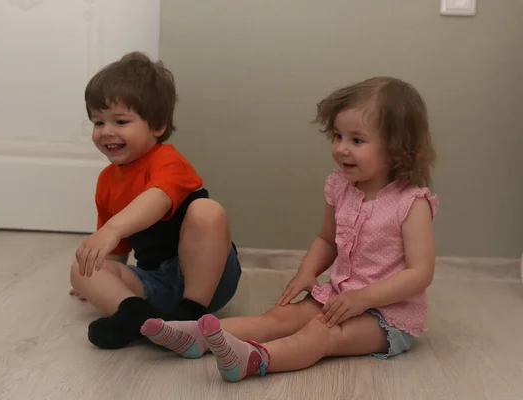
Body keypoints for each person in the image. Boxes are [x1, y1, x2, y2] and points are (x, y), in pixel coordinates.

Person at [139, 76, 439, 382]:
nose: (342, 149)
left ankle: (254, 359)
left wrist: (363, 299)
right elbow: (326, 240)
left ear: (396, 148)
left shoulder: (411, 203)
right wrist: (306, 273)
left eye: (356, 140)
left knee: (323, 333)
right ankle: (195, 335)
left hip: (386, 315)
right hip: (339, 296)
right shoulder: (341, 187)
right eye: (337, 136)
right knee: (281, 317)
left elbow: (420, 273)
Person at [69, 52, 242, 350]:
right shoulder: (107, 181)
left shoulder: (168, 161)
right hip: (156, 283)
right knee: (80, 269)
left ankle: (191, 316)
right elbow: (116, 252)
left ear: (157, 126)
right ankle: (136, 315)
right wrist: (100, 283)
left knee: (206, 211)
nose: (107, 131)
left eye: (121, 121)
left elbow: (157, 200)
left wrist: (112, 228)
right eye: (98, 122)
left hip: (207, 280)